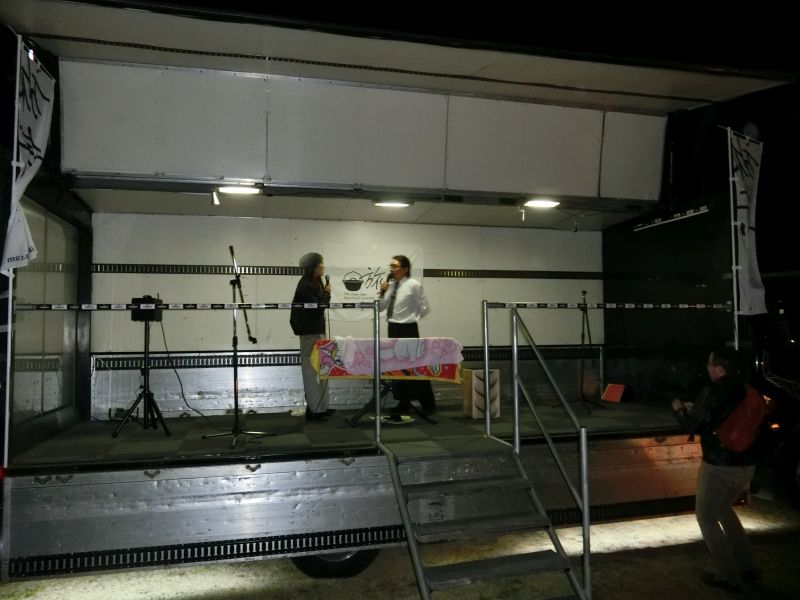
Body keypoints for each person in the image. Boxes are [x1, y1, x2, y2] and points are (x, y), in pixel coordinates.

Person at [671, 348, 759, 593]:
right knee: (723, 510)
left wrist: (680, 409)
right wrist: (698, 407)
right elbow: (723, 415)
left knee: (706, 517)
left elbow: (693, 425)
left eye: (710, 364)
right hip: (747, 464)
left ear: (720, 368)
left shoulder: (714, 391)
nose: (707, 367)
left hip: (720, 466)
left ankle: (729, 575)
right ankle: (747, 566)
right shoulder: (744, 388)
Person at [378, 255, 436, 415]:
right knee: (398, 366)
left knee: (415, 366)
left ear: (404, 269)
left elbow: (425, 307)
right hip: (393, 328)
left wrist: (411, 319)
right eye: (390, 266)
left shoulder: (413, 285)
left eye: (394, 266)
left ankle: (428, 404)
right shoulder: (390, 286)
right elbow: (380, 308)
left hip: (408, 329)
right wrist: (382, 293)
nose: (391, 269)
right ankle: (404, 403)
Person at [290, 252, 332, 422]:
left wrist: (325, 292)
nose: (323, 267)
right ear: (314, 266)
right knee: (311, 371)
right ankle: (315, 410)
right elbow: (317, 308)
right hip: (310, 333)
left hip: (316, 330)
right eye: (321, 264)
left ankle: (321, 407)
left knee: (322, 369)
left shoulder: (315, 282)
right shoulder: (306, 284)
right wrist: (327, 293)